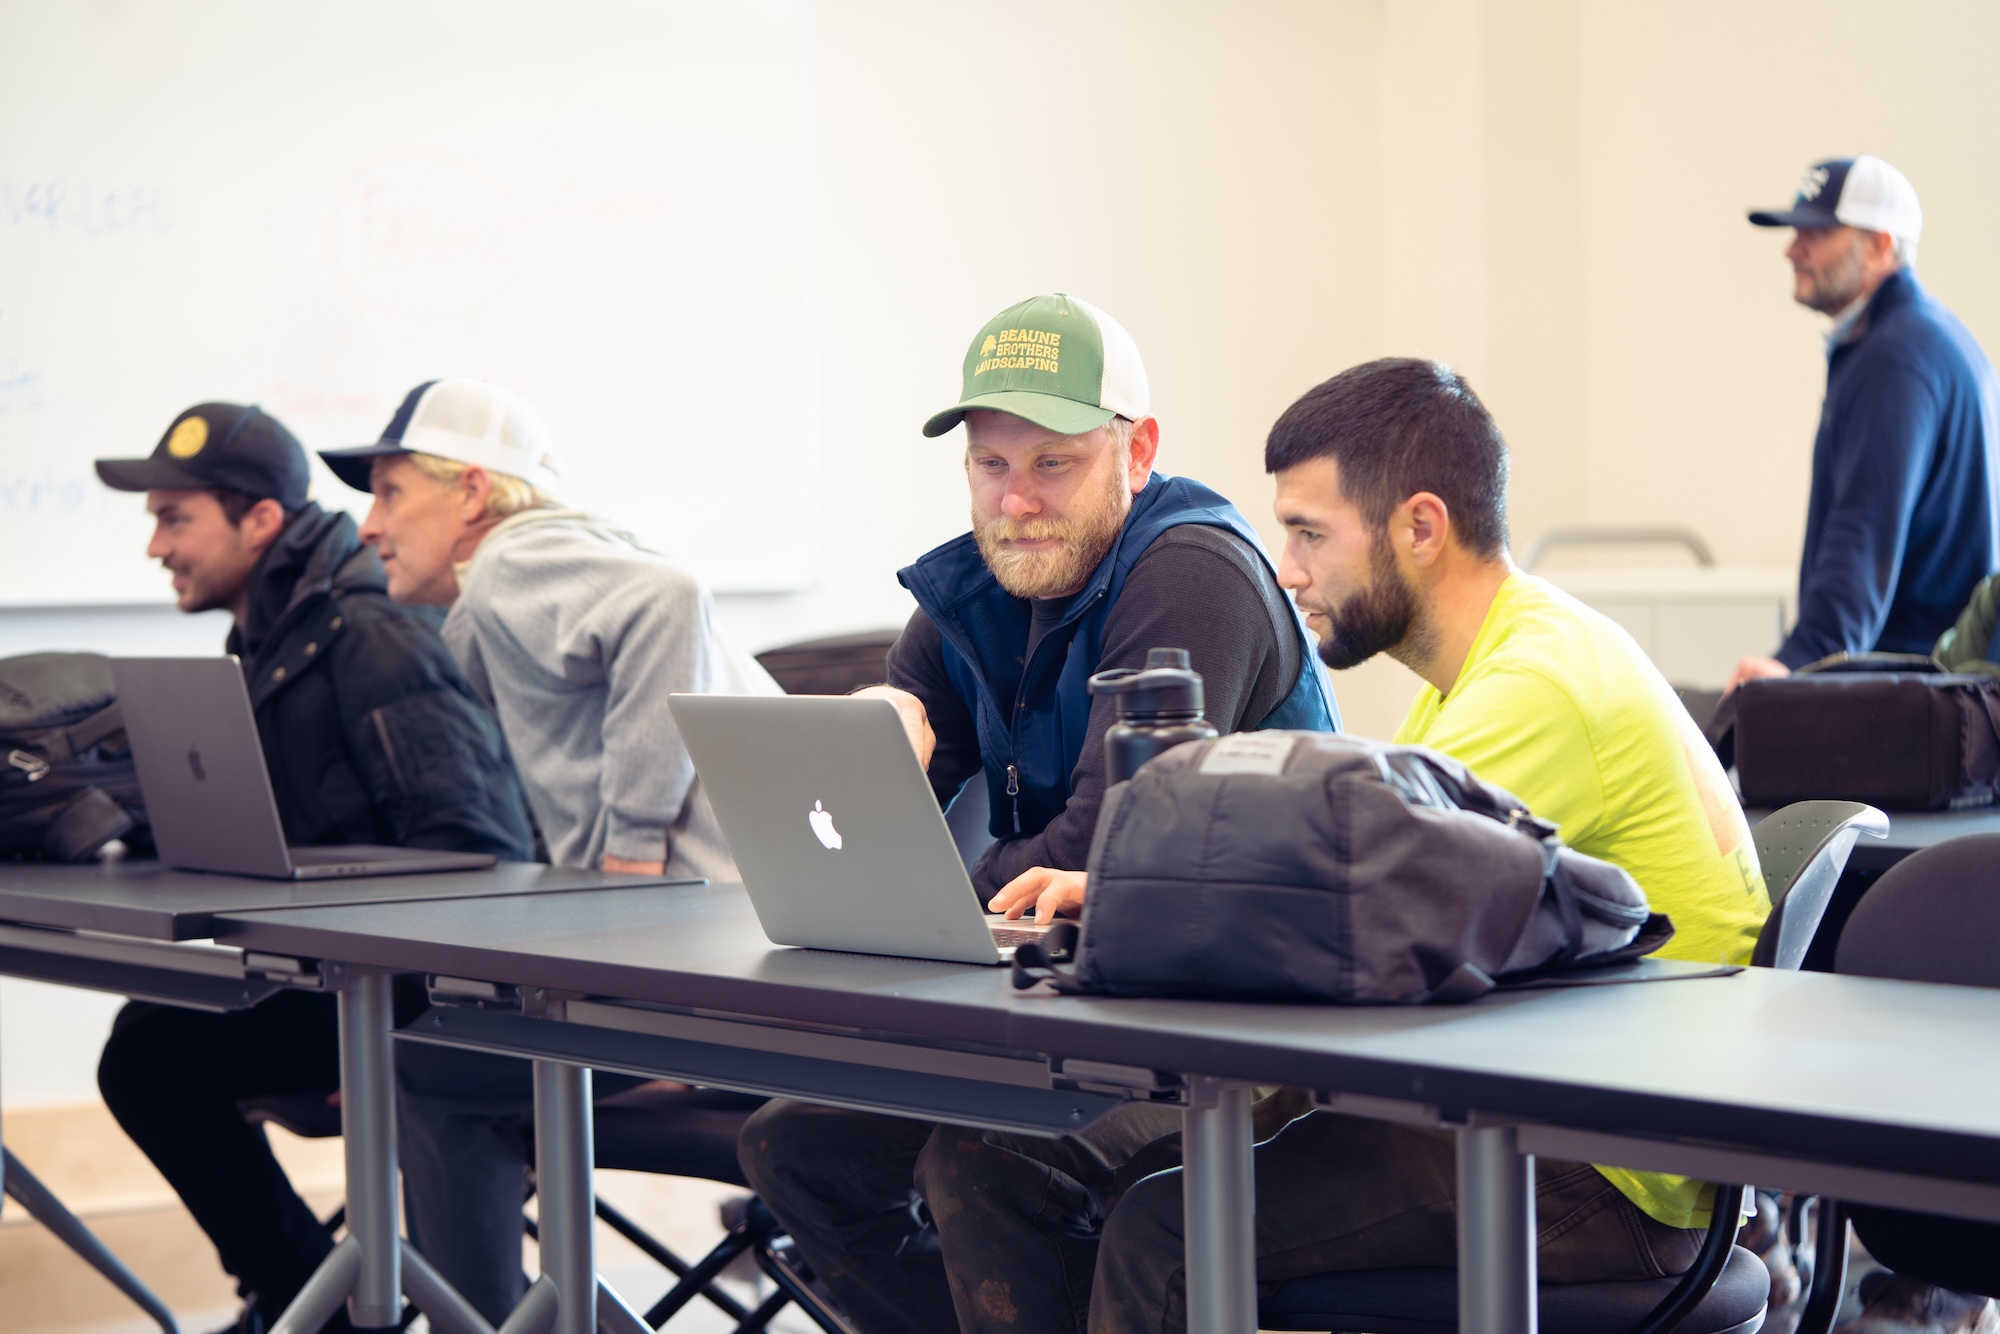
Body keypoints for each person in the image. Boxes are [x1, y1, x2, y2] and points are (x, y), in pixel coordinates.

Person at [989, 358, 1768, 1333]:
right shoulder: (1497, 663)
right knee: (1124, 1171)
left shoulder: (1533, 688)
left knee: (1165, 1228)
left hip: (1607, 1165)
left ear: (1420, 527)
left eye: (1310, 533)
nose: (1286, 568)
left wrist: (1136, 898)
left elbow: (1333, 920)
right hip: (1560, 1102)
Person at [735, 293, 1339, 1334]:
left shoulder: (1192, 574)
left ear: (1135, 451)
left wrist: (928, 891)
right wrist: (873, 742)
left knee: (985, 1157)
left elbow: (1109, 842)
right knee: (796, 1146)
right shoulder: (979, 586)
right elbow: (866, 825)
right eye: (991, 464)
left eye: (1053, 462)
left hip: (1251, 1041)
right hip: (1081, 1015)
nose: (1016, 500)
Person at [318, 377, 782, 1321]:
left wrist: (630, 855)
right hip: (756, 952)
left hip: (718, 966)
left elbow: (671, 598)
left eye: (392, 492)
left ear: (472, 493)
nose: (369, 525)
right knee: (459, 1050)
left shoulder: (512, 560)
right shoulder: (539, 568)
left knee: (429, 1072)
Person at [90, 403, 537, 1334]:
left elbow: (480, 851)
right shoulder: (271, 637)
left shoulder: (372, 636)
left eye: (174, 520)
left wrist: (389, 1022)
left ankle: (308, 1307)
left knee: (149, 1057)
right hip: (344, 978)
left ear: (260, 520)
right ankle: (303, 1300)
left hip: (418, 995)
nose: (156, 547)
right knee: (151, 1040)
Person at [1729, 155, 2000, 691]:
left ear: (1879, 246)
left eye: (1817, 233)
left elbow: (1864, 530)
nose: (1792, 249)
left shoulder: (1895, 358)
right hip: (1941, 695)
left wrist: (1802, 660)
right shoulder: (1926, 337)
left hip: (1911, 698)